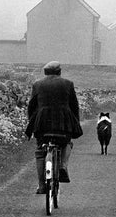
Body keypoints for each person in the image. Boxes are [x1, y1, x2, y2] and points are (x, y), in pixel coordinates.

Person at [25, 61, 83, 194]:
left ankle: (41, 185)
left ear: (45, 72)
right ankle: (63, 166)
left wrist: (32, 122)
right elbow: (74, 105)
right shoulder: (68, 84)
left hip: (42, 124)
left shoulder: (37, 84)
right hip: (63, 123)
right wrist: (75, 123)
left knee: (40, 151)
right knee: (67, 142)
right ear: (59, 72)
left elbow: (31, 106)